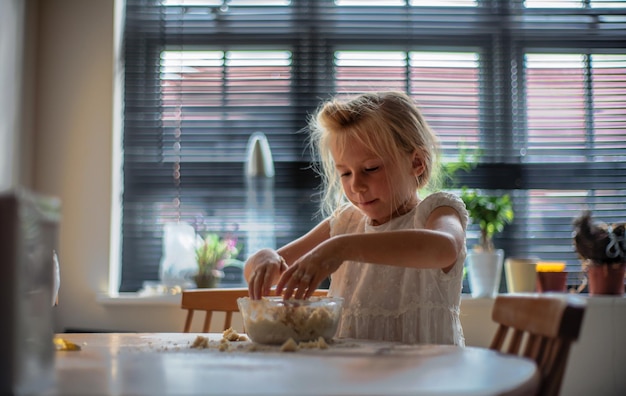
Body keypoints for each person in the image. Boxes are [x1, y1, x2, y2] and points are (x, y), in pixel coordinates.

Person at [244, 91, 468, 345]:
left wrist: (341, 249)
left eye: (370, 169)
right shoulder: (346, 223)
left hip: (429, 377)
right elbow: (262, 271)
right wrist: (265, 258)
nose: (356, 185)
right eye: (345, 173)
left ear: (416, 162)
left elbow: (444, 248)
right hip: (350, 378)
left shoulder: (437, 212)